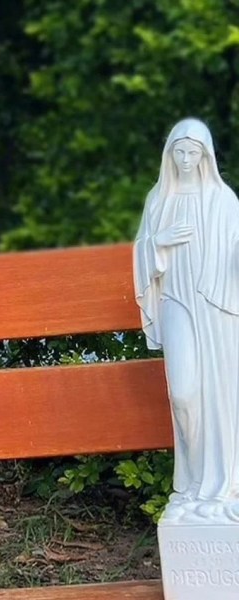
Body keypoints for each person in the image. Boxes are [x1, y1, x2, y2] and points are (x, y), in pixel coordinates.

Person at [133, 118, 239, 509]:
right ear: (169, 153)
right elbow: (142, 255)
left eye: (194, 152)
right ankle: (193, 477)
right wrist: (156, 242)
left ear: (206, 155)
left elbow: (234, 253)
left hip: (216, 309)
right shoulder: (158, 199)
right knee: (183, 393)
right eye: (179, 151)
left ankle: (222, 487)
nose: (186, 159)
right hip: (176, 302)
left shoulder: (224, 201)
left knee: (221, 395)